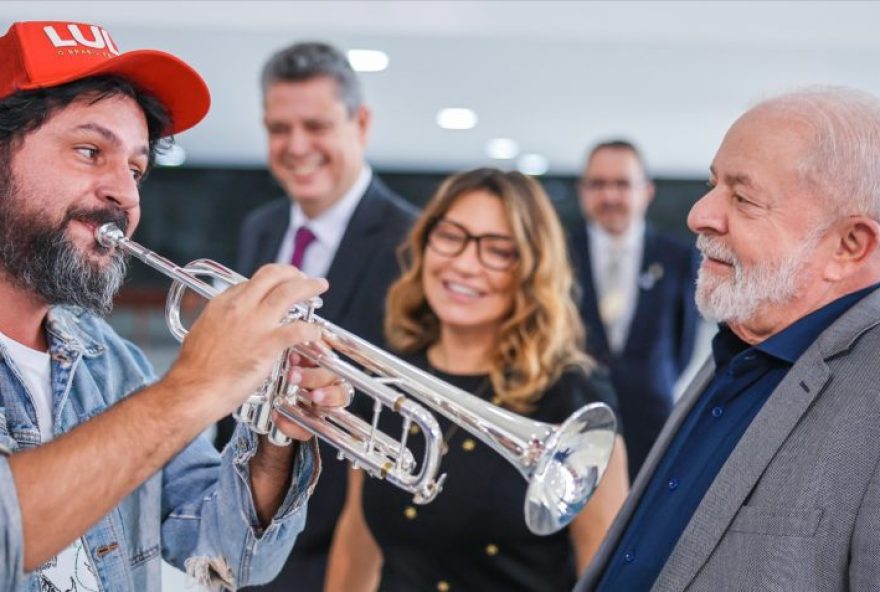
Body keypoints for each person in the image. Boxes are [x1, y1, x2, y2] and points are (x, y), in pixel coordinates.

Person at [0, 20, 351, 591]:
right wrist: (193, 387)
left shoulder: (113, 363)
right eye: (90, 151)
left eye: (136, 169)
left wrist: (278, 435)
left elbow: (226, 555)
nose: (125, 194)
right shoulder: (153, 386)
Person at [575, 86, 880, 592]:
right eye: (713, 184)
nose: (699, 215)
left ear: (850, 245)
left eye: (744, 198)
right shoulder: (743, 337)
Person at [325, 168, 629, 592]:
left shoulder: (575, 395)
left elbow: (608, 569)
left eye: (497, 250)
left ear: (532, 267)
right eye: (451, 236)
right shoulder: (386, 377)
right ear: (425, 243)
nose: (465, 264)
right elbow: (357, 538)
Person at [215, 40, 417, 592]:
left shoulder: (414, 243)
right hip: (244, 530)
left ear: (361, 123)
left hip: (344, 552)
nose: (296, 146)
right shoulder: (260, 228)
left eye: (316, 126)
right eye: (279, 129)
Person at [568, 140, 699, 480]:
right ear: (582, 191)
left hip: (651, 423)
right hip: (573, 422)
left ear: (647, 191)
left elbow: (683, 344)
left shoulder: (678, 257)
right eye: (598, 184)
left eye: (622, 184)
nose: (610, 196)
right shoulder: (559, 254)